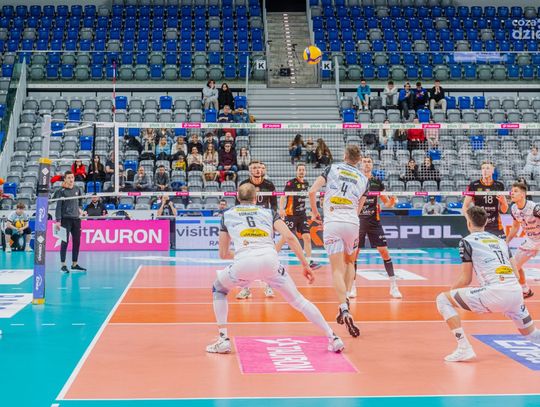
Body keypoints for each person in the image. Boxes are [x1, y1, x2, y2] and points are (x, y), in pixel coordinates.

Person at [206, 183, 345, 354]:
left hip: (244, 263)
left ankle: (223, 339)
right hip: (271, 261)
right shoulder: (268, 212)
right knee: (299, 301)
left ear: (237, 198)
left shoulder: (227, 215)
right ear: (256, 198)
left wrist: (245, 257)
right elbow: (290, 237)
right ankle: (333, 337)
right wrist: (305, 264)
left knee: (219, 289)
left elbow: (223, 253)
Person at [436, 206, 540, 362]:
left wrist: (451, 294)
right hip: (515, 293)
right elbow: (517, 274)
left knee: (442, 299)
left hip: (495, 293)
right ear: (485, 223)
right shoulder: (500, 241)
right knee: (532, 334)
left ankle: (464, 348)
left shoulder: (466, 241)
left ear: (468, 223)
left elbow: (466, 279)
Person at [309, 145, 368, 338]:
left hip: (333, 221)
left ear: (344, 155)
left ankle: (344, 307)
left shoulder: (332, 168)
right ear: (358, 160)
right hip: (352, 222)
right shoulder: (364, 179)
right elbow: (359, 208)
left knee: (336, 269)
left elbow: (312, 192)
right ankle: (346, 299)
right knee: (350, 262)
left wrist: (315, 213)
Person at [352, 156, 401, 299]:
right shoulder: (355, 180)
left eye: (369, 162)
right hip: (358, 221)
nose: (367, 164)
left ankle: (394, 287)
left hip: (374, 221)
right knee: (354, 255)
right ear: (360, 164)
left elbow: (387, 203)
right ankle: (352, 287)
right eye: (364, 161)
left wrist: (393, 200)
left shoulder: (377, 182)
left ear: (372, 165)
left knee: (384, 252)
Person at [237, 161, 278, 299]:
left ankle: (268, 286)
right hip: (247, 224)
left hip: (263, 224)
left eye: (260, 168)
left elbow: (274, 206)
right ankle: (245, 289)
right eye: (254, 168)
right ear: (250, 170)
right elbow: (238, 205)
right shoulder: (244, 184)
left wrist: (272, 223)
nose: (258, 170)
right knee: (245, 257)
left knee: (268, 256)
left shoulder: (269, 185)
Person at [276, 163, 320, 270]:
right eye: (299, 170)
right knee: (285, 238)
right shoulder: (291, 183)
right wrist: (281, 209)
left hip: (302, 214)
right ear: (296, 171)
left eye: (303, 170)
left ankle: (308, 261)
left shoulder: (306, 183)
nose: (301, 171)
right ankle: (272, 257)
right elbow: (283, 196)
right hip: (291, 214)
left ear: (305, 171)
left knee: (307, 237)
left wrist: (312, 211)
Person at [505, 182, 537, 298]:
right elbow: (515, 227)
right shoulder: (514, 208)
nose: (512, 193)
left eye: (515, 191)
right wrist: (507, 241)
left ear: (522, 194)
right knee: (514, 266)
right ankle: (525, 289)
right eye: (512, 191)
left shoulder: (535, 208)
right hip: (530, 241)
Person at [463, 161, 508, 239]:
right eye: (483, 168)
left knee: (502, 245)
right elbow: (465, 207)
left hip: (495, 225)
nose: (485, 170)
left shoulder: (499, 185)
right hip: (479, 225)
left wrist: (503, 202)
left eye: (487, 168)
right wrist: (469, 220)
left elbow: (504, 210)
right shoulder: (474, 185)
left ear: (493, 170)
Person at [54, 171, 86, 274]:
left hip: (76, 219)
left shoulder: (77, 189)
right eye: (69, 178)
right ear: (65, 179)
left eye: (72, 177)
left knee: (77, 241)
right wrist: (58, 220)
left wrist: (80, 210)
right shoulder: (61, 191)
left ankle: (74, 264)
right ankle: (63, 265)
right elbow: (58, 206)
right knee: (65, 241)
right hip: (65, 220)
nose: (71, 179)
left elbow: (80, 202)